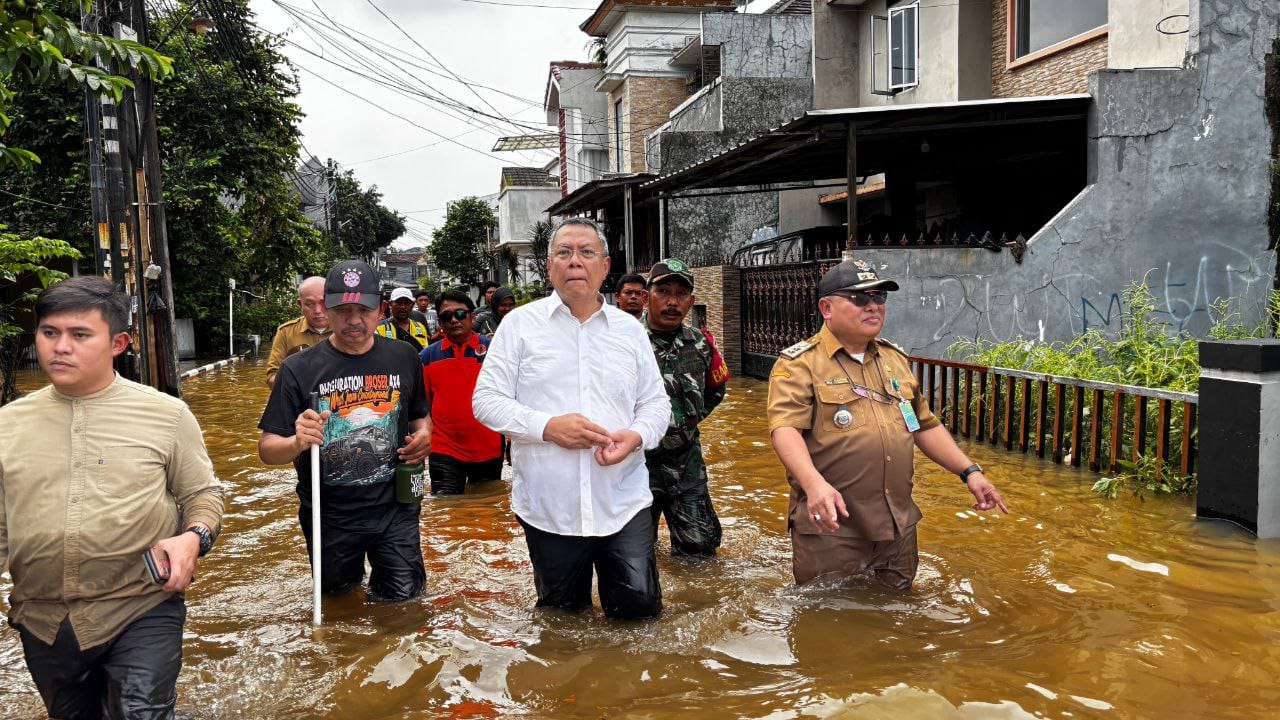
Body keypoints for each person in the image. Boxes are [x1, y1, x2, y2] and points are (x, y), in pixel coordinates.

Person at [0, 276, 224, 718]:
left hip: (141, 606)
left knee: (139, 713)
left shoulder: (166, 414)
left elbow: (203, 494)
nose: (60, 347)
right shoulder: (8, 424)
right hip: (44, 621)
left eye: (79, 335)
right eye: (50, 333)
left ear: (118, 342)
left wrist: (193, 538)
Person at [767, 258, 1009, 589]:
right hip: (834, 527)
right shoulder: (799, 365)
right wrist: (813, 485)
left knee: (897, 616)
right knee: (827, 621)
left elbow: (923, 425)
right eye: (859, 299)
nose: (873, 307)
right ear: (827, 308)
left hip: (897, 524)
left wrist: (970, 472)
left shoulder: (894, 360)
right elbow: (785, 430)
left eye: (879, 297)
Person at [473, 217, 670, 619]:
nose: (574, 262)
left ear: (605, 266)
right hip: (549, 507)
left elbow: (656, 405)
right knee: (562, 621)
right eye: (564, 253)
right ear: (549, 267)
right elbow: (486, 401)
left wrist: (635, 436)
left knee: (640, 612)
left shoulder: (629, 331)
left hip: (622, 499)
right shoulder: (519, 327)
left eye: (585, 252)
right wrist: (548, 427)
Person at [258, 259, 431, 602]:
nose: (354, 320)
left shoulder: (405, 357)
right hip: (329, 515)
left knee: (404, 605)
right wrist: (297, 441)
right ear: (327, 309)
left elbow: (420, 417)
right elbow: (268, 448)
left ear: (380, 309)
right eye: (343, 310)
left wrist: (425, 436)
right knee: (339, 604)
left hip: (395, 508)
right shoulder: (298, 368)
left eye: (363, 310)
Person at [643, 258, 731, 556]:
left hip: (687, 463)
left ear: (692, 301)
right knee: (636, 551)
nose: (672, 301)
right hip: (635, 466)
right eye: (663, 291)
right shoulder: (625, 342)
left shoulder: (702, 344)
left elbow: (716, 390)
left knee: (700, 551)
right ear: (647, 297)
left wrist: (689, 421)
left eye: (681, 294)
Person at [419, 290, 504, 494]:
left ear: (472, 317)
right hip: (443, 447)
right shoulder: (427, 357)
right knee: (446, 510)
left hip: (488, 446)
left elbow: (509, 396)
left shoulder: (494, 350)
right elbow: (422, 406)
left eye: (460, 314)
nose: (454, 320)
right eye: (447, 316)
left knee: (487, 510)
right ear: (440, 322)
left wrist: (512, 440)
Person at [265, 276, 330, 387]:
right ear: (300, 304)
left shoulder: (346, 330)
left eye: (323, 303)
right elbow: (272, 377)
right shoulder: (286, 332)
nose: (318, 311)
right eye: (310, 304)